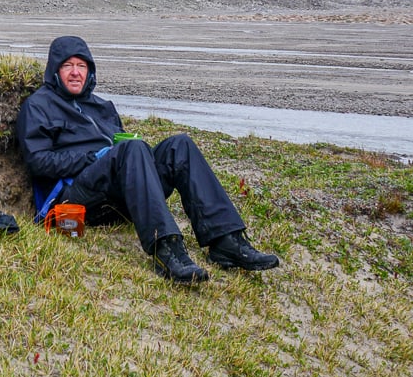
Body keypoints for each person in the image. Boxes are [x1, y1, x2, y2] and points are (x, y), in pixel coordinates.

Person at [15, 35, 280, 284]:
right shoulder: (39, 106)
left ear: (90, 70)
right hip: (76, 201)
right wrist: (91, 158)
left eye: (82, 65)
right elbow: (38, 162)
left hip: (120, 195)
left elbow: (122, 151)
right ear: (55, 71)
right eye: (68, 65)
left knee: (179, 145)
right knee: (132, 149)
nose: (76, 72)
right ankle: (168, 250)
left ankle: (226, 241)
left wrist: (126, 152)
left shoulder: (102, 105)